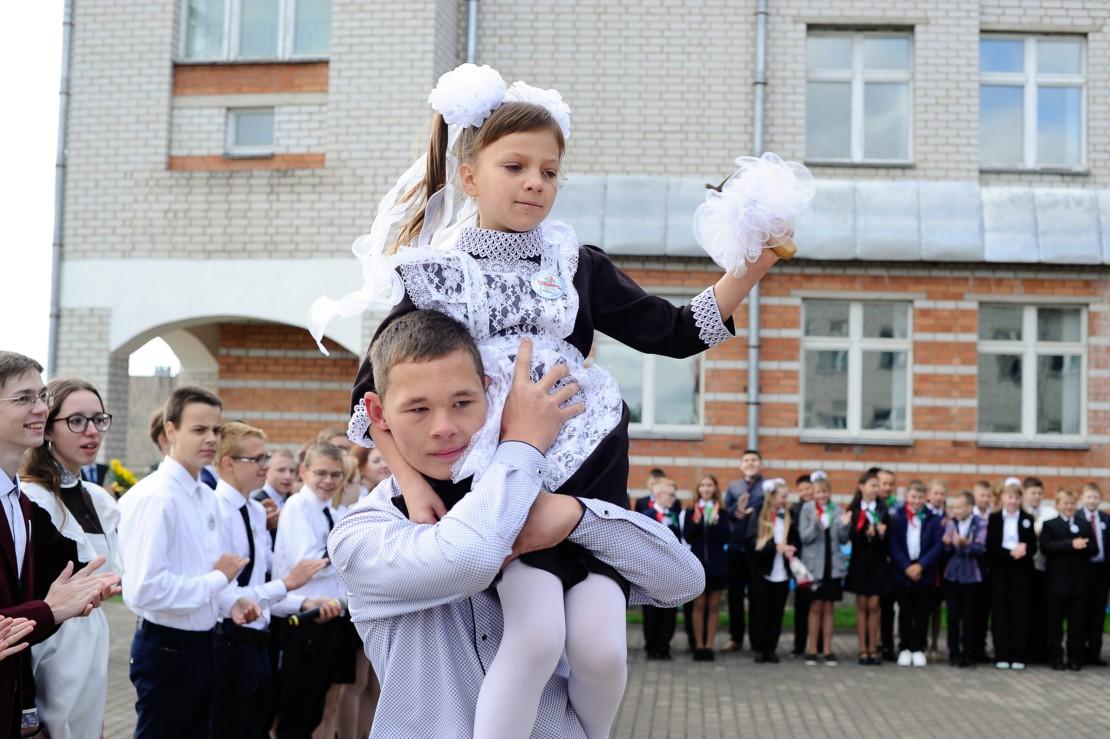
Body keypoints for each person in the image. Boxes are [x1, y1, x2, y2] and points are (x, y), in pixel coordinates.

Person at [319, 65, 782, 739]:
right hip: (500, 472)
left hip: (588, 460)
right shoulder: (437, 273)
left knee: (601, 648)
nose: (535, 182)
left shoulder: (576, 263)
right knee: (535, 636)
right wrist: (413, 483)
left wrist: (751, 267)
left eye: (550, 171)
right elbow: (373, 392)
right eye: (515, 166)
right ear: (470, 175)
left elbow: (674, 331)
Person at [329, 310, 704, 738]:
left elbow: (682, 581)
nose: (444, 428)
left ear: (491, 390)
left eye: (463, 403)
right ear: (378, 413)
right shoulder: (362, 533)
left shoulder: (542, 492)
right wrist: (523, 443)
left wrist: (577, 518)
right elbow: (471, 556)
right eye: (418, 409)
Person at [118, 386, 262, 739]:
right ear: (171, 431)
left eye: (216, 429)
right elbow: (145, 591)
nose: (211, 439)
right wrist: (218, 580)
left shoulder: (205, 497)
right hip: (167, 647)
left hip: (204, 643)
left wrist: (230, 601)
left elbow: (201, 571)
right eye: (199, 430)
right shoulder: (156, 498)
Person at [20, 378, 123, 738]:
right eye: (76, 421)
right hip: (49, 653)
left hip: (89, 648)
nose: (91, 431)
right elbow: (25, 602)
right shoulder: (32, 500)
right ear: (48, 428)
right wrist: (26, 713)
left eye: (98, 419)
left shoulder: (98, 498)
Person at [210, 422, 327, 739]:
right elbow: (224, 592)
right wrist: (288, 584)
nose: (265, 466)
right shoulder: (215, 509)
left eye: (266, 457)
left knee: (258, 725)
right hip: (226, 637)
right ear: (228, 463)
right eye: (256, 459)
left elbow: (264, 578)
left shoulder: (256, 511)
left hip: (258, 637)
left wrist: (302, 601)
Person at [270, 441, 349, 738]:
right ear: (303, 471)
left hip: (328, 614)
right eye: (321, 473)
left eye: (335, 474)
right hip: (301, 615)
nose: (328, 481)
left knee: (316, 707)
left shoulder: (331, 511)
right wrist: (346, 552)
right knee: (296, 709)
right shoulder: (298, 506)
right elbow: (310, 562)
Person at [888, 481, 943, 668]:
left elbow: (937, 545)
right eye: (913, 497)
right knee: (905, 611)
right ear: (907, 497)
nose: (916, 501)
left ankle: (918, 647)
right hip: (903, 571)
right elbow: (893, 544)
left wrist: (921, 566)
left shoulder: (933, 519)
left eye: (920, 497)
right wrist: (906, 566)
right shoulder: (898, 517)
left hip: (924, 571)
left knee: (922, 612)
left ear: (925, 497)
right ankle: (904, 646)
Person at [797, 472, 848, 666]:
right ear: (813, 493)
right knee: (815, 605)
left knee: (828, 606)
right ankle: (812, 649)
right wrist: (816, 523)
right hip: (814, 565)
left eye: (825, 492)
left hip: (832, 564)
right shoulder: (807, 509)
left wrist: (845, 525)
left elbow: (843, 539)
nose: (822, 496)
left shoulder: (837, 510)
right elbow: (805, 537)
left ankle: (827, 649)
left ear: (830, 493)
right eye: (818, 492)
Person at [1040, 488, 1094, 671]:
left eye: (1072, 504)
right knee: (1055, 623)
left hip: (1078, 583)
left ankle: (1075, 658)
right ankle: (1056, 657)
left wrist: (1084, 546)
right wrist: (1071, 544)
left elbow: (1094, 548)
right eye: (1066, 503)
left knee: (1077, 623)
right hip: (1056, 583)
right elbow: (1046, 547)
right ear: (1058, 505)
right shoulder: (1050, 525)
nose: (1069, 507)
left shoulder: (1084, 524)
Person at [746, 479, 798, 664]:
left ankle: (771, 648)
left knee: (777, 612)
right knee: (760, 611)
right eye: (783, 496)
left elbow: (794, 538)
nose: (785, 500)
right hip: (763, 570)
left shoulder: (789, 515)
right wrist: (774, 547)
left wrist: (791, 548)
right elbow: (752, 542)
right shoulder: (760, 515)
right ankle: (759, 647)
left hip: (781, 571)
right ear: (772, 496)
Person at [985, 483, 1036, 670]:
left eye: (1016, 497)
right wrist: (1009, 553)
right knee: (1000, 611)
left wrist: (1025, 549)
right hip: (1000, 570)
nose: (1013, 501)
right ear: (1002, 498)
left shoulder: (1027, 519)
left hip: (1021, 571)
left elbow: (1033, 545)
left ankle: (1018, 654)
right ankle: (1002, 653)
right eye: (1010, 497)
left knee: (1019, 611)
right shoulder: (994, 518)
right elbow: (990, 546)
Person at [635, 476, 683, 661]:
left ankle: (665, 645)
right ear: (659, 495)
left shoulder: (674, 516)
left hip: (670, 570)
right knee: (651, 609)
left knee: (669, 609)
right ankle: (651, 646)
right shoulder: (646, 515)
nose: (674, 499)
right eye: (671, 495)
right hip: (651, 569)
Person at [845, 470, 890, 665]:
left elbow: (890, 538)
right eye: (872, 485)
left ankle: (874, 647)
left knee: (874, 605)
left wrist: (881, 534)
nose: (875, 489)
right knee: (862, 604)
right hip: (860, 562)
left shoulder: (882, 510)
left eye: (877, 486)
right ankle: (862, 648)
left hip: (878, 563)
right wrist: (864, 534)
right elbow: (849, 537)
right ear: (861, 487)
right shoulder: (855, 510)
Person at [683, 474, 729, 661]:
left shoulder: (722, 511)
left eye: (710, 485)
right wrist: (696, 522)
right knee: (699, 606)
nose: (706, 488)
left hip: (717, 566)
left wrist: (716, 522)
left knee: (714, 606)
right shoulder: (691, 510)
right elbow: (688, 537)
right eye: (702, 485)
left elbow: (726, 537)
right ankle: (699, 645)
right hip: (697, 565)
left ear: (715, 488)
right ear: (698, 489)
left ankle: (709, 645)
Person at [722, 450, 764, 652]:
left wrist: (753, 508)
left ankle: (757, 639)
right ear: (741, 465)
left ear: (760, 464)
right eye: (746, 460)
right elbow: (726, 514)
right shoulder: (733, 487)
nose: (750, 463)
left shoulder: (768, 487)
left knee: (757, 596)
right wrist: (737, 510)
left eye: (754, 460)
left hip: (758, 547)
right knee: (735, 595)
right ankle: (735, 638)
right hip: (736, 547)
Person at [941, 491, 987, 668]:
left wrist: (965, 545)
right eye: (954, 507)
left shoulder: (980, 524)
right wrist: (947, 544)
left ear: (969, 507)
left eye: (959, 507)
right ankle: (953, 652)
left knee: (969, 616)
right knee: (953, 616)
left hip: (971, 576)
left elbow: (981, 548)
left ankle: (969, 653)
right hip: (953, 575)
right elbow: (946, 550)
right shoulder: (951, 523)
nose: (956, 511)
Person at [1022, 476, 1055, 663]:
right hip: (1024, 569)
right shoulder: (1019, 511)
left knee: (1042, 610)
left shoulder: (1049, 512)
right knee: (1025, 609)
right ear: (1025, 493)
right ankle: (1025, 649)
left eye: (1039, 493)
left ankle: (1041, 650)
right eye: (1032, 493)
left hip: (1043, 568)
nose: (1036, 496)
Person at [1079, 482, 1108, 667]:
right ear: (1083, 498)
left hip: (1101, 572)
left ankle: (1094, 653)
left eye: (1096, 497)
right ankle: (1080, 651)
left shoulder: (1105, 519)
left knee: (1098, 613)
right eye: (1089, 497)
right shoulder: (1077, 518)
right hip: (1083, 572)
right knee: (1082, 612)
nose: (1092, 500)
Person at [875, 467, 898, 661]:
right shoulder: (872, 506)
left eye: (891, 484)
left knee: (888, 607)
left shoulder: (897, 507)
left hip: (892, 563)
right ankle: (873, 642)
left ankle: (888, 644)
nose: (887, 487)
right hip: (875, 562)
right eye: (884, 483)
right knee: (874, 606)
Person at [790, 473, 814, 658]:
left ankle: (817, 645)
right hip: (801, 564)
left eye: (808, 488)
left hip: (818, 562)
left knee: (818, 606)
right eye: (802, 489)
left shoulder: (821, 508)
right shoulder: (794, 510)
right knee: (801, 606)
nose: (806, 492)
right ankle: (799, 645)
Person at [924, 478, 948, 658]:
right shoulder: (923, 515)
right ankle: (922, 642)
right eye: (936, 493)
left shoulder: (948, 517)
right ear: (928, 495)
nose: (939, 497)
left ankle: (934, 643)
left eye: (942, 494)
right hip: (926, 564)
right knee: (924, 607)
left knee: (937, 607)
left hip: (942, 566)